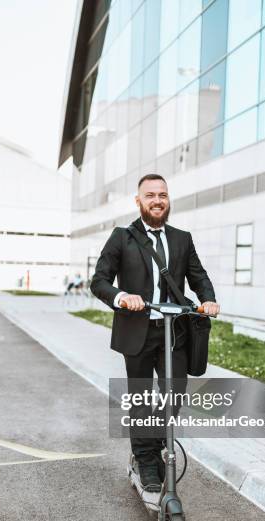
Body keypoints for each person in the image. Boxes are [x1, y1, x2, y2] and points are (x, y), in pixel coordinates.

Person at [90, 174, 219, 491]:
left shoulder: (181, 238)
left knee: (175, 392)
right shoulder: (123, 237)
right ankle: (146, 461)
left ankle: (157, 443)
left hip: (172, 331)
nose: (157, 200)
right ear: (139, 201)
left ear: (168, 199)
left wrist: (208, 299)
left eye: (162, 194)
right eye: (150, 195)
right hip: (136, 331)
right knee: (141, 400)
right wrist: (122, 297)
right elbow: (100, 281)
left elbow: (198, 275)